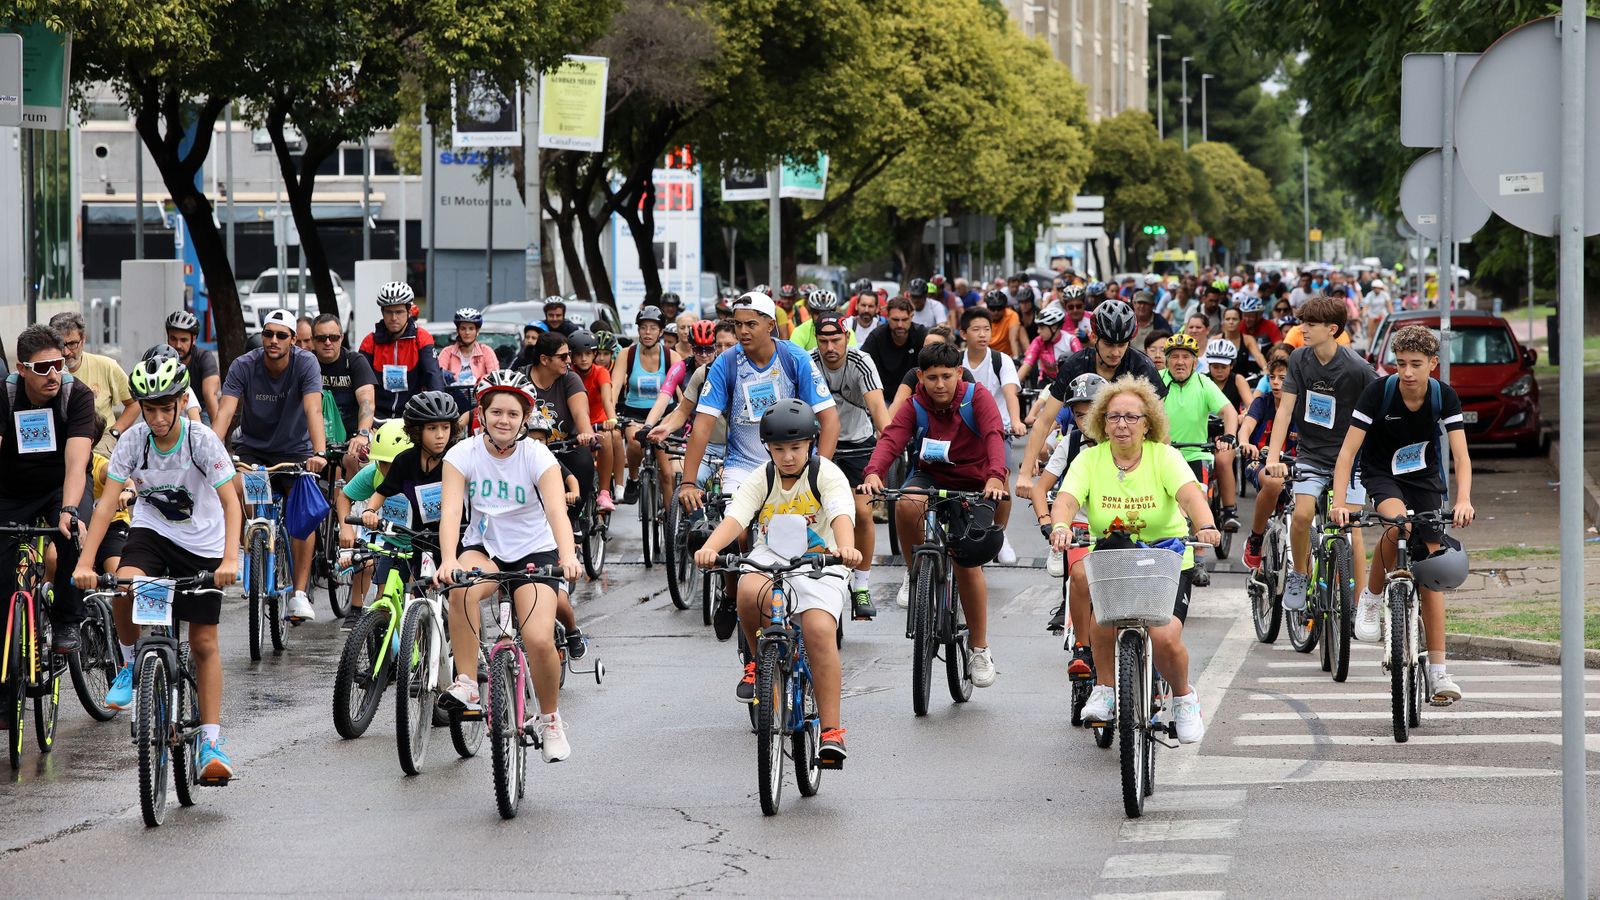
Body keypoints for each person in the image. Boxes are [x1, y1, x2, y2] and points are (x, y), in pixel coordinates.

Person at [72, 355, 242, 779]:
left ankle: (210, 742)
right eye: (151, 408)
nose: (160, 417)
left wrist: (230, 559)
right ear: (142, 408)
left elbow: (230, 504)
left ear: (182, 401)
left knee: (203, 643)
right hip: (153, 534)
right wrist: (86, 562)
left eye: (168, 407)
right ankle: (130, 665)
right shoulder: (133, 441)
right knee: (124, 586)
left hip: (203, 543)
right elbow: (107, 503)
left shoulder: (201, 440)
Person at [1048, 376, 1219, 743]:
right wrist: (1061, 523)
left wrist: (1205, 524)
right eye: (1113, 417)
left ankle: (1184, 698)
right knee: (1104, 617)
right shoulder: (1090, 459)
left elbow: (1191, 498)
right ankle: (1106, 690)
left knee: (1164, 634)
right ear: (1101, 422)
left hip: (1166, 558)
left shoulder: (1165, 457)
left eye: (1131, 417)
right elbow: (1067, 498)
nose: (1122, 424)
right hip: (1114, 556)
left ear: (1147, 423)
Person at [693, 398, 858, 765]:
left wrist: (846, 547)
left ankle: (831, 731)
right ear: (767, 447)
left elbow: (842, 513)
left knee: (817, 630)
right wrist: (709, 548)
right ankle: (756, 659)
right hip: (774, 557)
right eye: (778, 448)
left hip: (822, 559)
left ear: (811, 444)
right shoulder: (762, 476)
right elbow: (736, 518)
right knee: (748, 591)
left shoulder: (826, 474)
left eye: (796, 448)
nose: (787, 456)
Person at [435, 370, 582, 763]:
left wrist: (567, 556)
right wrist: (448, 559)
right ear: (481, 414)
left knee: (537, 639)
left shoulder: (537, 455)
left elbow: (556, 511)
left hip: (535, 551)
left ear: (524, 419)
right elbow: (451, 512)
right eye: (496, 411)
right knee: (461, 588)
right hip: (484, 547)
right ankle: (467, 681)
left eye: (512, 414)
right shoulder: (461, 454)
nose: (504, 420)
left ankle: (550, 718)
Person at [1331, 325, 1474, 703]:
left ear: (1432, 364)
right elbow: (1347, 454)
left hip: (1424, 478)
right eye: (1400, 364)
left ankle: (1439, 673)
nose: (1407, 372)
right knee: (1399, 525)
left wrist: (1464, 500)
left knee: (1432, 567)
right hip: (1381, 474)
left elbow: (1460, 455)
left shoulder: (1444, 396)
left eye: (1415, 364)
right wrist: (1340, 502)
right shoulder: (1378, 392)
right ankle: (1372, 598)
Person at [861, 341, 1008, 686]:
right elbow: (892, 439)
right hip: (931, 476)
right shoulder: (915, 405)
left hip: (974, 481)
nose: (939, 385)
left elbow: (993, 437)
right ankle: (917, 577)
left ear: (959, 373)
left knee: (966, 563)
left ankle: (979, 648)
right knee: (907, 503)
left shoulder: (977, 398)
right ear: (920, 378)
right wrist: (873, 472)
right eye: (931, 378)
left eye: (946, 376)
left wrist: (994, 476)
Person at [213, 308, 329, 621]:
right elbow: (225, 413)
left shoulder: (306, 364)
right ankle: (242, 551)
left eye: (281, 335)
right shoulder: (244, 365)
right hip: (252, 453)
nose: (273, 340)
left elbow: (313, 410)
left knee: (301, 514)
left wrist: (319, 452)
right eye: (268, 334)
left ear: (293, 340)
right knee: (232, 489)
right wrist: (208, 452)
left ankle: (300, 593)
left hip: (294, 452)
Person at [678, 291, 839, 513]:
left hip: (795, 465)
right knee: (737, 533)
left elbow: (830, 420)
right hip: (742, 466)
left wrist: (818, 471)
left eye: (751, 324)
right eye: (738, 324)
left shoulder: (795, 358)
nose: (743, 331)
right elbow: (703, 425)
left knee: (800, 534)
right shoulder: (725, 363)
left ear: (770, 324)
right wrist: (688, 483)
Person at [1264, 294, 1376, 612]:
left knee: (1350, 529)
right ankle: (1300, 573)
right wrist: (1273, 458)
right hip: (1311, 453)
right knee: (1301, 516)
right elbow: (1285, 411)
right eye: (1303, 323)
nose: (1303, 329)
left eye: (1310, 324)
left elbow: (1379, 410)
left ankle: (1360, 605)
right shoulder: (1299, 359)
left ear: (1332, 328)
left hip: (1350, 459)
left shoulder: (1357, 368)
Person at [0, 326, 96, 653]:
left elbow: (77, 462)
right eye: (42, 368)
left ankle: (68, 617)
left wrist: (69, 510)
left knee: (72, 532)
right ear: (22, 369)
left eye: (60, 364)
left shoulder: (77, 395)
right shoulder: (5, 395)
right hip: (12, 491)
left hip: (61, 487)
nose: (53, 374)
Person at [1016, 299, 1166, 501]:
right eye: (1109, 344)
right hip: (1085, 447)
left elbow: (1159, 428)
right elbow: (1044, 422)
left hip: (1129, 448)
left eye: (1122, 345)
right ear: (1094, 337)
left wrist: (1163, 476)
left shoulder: (1142, 366)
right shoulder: (1076, 364)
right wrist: (1025, 474)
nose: (1115, 352)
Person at [810, 315, 890, 620]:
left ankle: (861, 586)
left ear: (846, 337)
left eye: (836, 340)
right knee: (813, 513)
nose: (830, 347)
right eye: (823, 341)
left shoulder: (861, 362)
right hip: (819, 445)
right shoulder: (808, 362)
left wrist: (885, 458)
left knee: (862, 513)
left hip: (858, 447)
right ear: (816, 340)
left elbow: (880, 415)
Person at [1032, 372, 1104, 635]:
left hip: (1121, 524)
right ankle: (1082, 647)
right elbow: (1040, 489)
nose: (1086, 422)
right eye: (1079, 415)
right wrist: (1047, 523)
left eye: (1093, 412)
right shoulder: (1071, 443)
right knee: (1081, 577)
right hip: (1080, 525)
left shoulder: (1125, 439)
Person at [1161, 334, 1241, 531]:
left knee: (1198, 500)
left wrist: (1229, 436)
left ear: (1195, 362)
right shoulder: (1157, 380)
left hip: (1197, 454)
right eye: (1174, 356)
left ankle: (1198, 557)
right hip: (1163, 455)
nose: (1180, 362)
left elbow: (1229, 412)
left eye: (1186, 357)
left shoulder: (1203, 383)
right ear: (1166, 360)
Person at [518, 332, 602, 520]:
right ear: (544, 360)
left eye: (569, 355)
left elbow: (581, 413)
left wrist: (586, 433)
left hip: (564, 448)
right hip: (528, 450)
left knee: (584, 461)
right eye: (563, 356)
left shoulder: (570, 379)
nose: (569, 360)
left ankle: (573, 519)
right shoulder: (520, 379)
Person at [337, 420, 410, 624]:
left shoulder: (422, 476)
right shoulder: (374, 473)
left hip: (421, 544)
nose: (387, 470)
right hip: (392, 542)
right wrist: (346, 528)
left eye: (393, 464)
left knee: (417, 600)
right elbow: (344, 496)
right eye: (382, 463)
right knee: (382, 597)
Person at [611, 306, 678, 507]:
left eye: (653, 328)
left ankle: (669, 523)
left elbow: (683, 395)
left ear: (661, 332)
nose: (648, 332)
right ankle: (633, 478)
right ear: (638, 330)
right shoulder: (627, 354)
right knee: (633, 441)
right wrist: (610, 415)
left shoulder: (671, 356)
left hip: (664, 416)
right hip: (634, 413)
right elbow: (614, 388)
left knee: (667, 474)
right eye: (643, 328)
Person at [49, 311, 137, 454]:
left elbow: (134, 403)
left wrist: (114, 432)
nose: (65, 352)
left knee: (98, 464)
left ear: (83, 340)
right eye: (59, 345)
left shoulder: (107, 366)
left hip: (100, 440)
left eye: (72, 344)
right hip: (61, 440)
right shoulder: (46, 372)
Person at [358, 281, 445, 419]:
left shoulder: (421, 338)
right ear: (382, 312)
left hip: (413, 415)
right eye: (389, 312)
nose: (394, 318)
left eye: (399, 312)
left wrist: (439, 410)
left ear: (409, 311)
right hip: (376, 417)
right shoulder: (370, 342)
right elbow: (360, 383)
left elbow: (433, 377)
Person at [1240, 357, 1293, 568]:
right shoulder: (1263, 402)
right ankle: (1256, 538)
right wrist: (1245, 442)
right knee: (1273, 482)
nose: (1276, 383)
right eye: (1272, 378)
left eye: (1282, 378)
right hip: (1260, 462)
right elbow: (1246, 427)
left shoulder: (1301, 406)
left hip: (1294, 465)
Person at [309, 313, 377, 472]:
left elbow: (367, 402)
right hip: (313, 439)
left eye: (333, 337)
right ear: (313, 341)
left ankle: (351, 497)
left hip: (352, 437)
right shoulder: (306, 363)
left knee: (358, 459)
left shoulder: (354, 361)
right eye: (321, 338)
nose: (327, 342)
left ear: (341, 338)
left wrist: (362, 434)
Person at [568, 330, 618, 511]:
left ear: (594, 355)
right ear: (571, 357)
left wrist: (612, 418)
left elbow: (607, 399)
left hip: (599, 422)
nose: (583, 359)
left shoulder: (601, 372)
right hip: (576, 425)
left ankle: (604, 492)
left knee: (606, 439)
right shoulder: (568, 374)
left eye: (588, 354)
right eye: (579, 354)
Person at [960, 307, 1026, 440]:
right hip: (963, 432)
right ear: (963, 334)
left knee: (1001, 460)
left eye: (987, 329)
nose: (982, 334)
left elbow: (1010, 394)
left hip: (998, 429)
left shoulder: (1002, 360)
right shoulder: (955, 361)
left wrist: (1015, 421)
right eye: (976, 329)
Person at [436, 308, 500, 418]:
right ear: (458, 331)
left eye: (471, 328)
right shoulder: (447, 352)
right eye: (463, 328)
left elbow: (495, 377)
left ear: (477, 331)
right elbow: (438, 375)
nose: (467, 332)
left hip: (480, 405)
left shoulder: (486, 351)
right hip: (452, 407)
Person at [861, 296, 928, 398]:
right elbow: (862, 366)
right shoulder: (876, 337)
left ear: (911, 317)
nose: (900, 325)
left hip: (916, 396)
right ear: (887, 317)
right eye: (895, 320)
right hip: (883, 396)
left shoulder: (922, 335)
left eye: (904, 319)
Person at [165, 310, 221, 423]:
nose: (177, 345)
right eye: (173, 339)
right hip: (168, 409)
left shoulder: (204, 358)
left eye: (183, 340)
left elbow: (210, 394)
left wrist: (216, 436)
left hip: (201, 411)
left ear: (193, 339)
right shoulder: (161, 359)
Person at [1017, 304, 1077, 395]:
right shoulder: (1038, 341)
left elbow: (1081, 367)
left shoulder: (1071, 340)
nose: (1038, 331)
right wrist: (1014, 386)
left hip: (1068, 383)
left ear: (1053, 328)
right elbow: (1026, 365)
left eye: (1042, 328)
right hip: (1046, 383)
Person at [1218, 307, 1269, 381]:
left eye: (1234, 319)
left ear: (1241, 321)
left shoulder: (1248, 339)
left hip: (1244, 381)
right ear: (1223, 321)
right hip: (1221, 381)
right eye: (1228, 319)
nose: (1231, 322)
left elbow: (1258, 355)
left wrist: (1265, 368)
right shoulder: (1216, 340)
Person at [1204, 337, 1253, 412]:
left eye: (1224, 367)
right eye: (1215, 367)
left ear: (1231, 365)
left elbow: (1252, 407)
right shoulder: (1201, 379)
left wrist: (1243, 415)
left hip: (1233, 422)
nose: (1219, 371)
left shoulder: (1238, 380)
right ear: (1209, 365)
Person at [984, 289, 1026, 359]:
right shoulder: (982, 317)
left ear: (1005, 307)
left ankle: (1030, 357)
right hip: (988, 355)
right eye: (992, 308)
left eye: (999, 308)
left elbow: (1013, 339)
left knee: (1021, 328)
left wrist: (1016, 358)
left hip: (1008, 356)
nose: (996, 312)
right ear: (987, 308)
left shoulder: (1012, 314)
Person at [1363, 279, 1393, 343]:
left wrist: (1391, 315)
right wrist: (1364, 314)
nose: (1376, 289)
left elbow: (1389, 305)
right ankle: (1370, 347)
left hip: (1382, 314)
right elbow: (1366, 306)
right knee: (1370, 332)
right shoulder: (1369, 295)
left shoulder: (1385, 294)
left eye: (1378, 288)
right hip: (1372, 314)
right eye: (1375, 288)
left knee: (1383, 332)